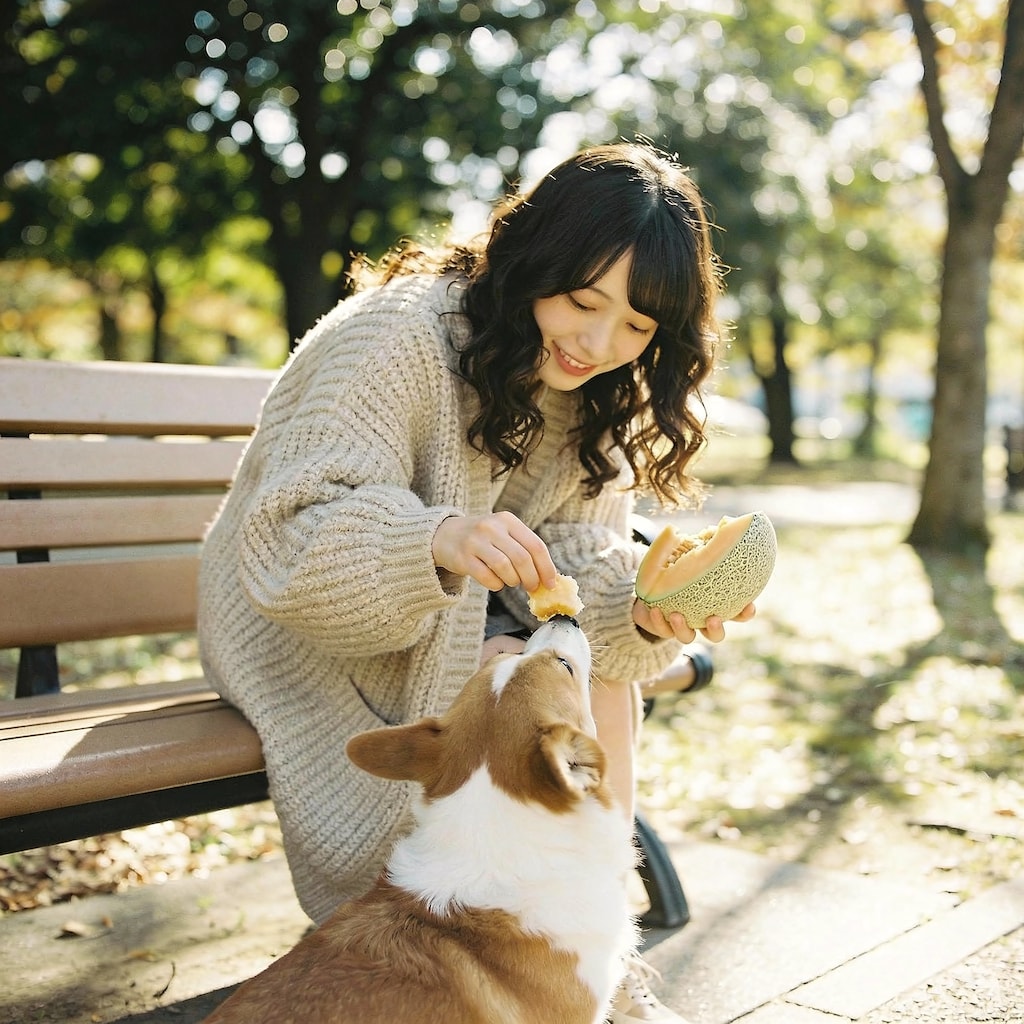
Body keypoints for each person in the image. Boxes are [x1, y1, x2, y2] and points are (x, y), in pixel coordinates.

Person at [198, 141, 754, 1024]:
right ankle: (579, 952)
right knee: (512, 667)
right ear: (537, 256)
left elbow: (585, 571)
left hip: (466, 611)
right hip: (307, 618)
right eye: (583, 301)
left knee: (584, 669)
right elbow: (291, 539)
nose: (600, 344)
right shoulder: (394, 335)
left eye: (639, 328)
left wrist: (647, 613)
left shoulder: (602, 394)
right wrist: (439, 538)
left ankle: (589, 943)